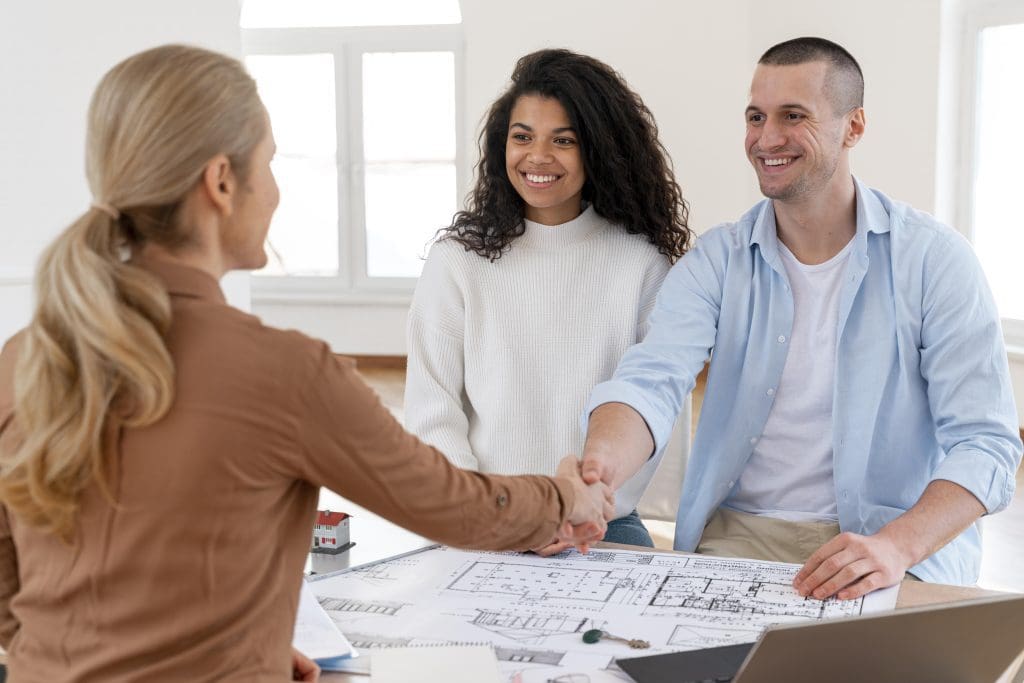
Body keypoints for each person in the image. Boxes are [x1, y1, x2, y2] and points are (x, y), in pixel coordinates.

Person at [0, 45, 613, 683]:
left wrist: (242, 644)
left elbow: (12, 590)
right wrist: (562, 495)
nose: (275, 190)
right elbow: (453, 506)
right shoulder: (284, 372)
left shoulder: (26, 356)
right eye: (269, 163)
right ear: (221, 182)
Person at [579, 37, 1022, 599]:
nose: (767, 139)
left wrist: (896, 547)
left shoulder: (936, 260)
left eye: (793, 116)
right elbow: (650, 380)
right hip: (738, 537)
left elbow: (986, 444)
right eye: (756, 117)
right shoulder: (716, 260)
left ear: (853, 127)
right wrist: (596, 471)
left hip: (893, 544)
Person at [404, 48, 693, 554]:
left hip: (600, 524)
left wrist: (580, 510)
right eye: (522, 137)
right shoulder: (457, 261)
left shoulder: (641, 265)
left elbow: (658, 412)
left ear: (597, 149)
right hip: (482, 519)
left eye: (563, 140)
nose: (537, 156)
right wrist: (499, 515)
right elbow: (432, 412)